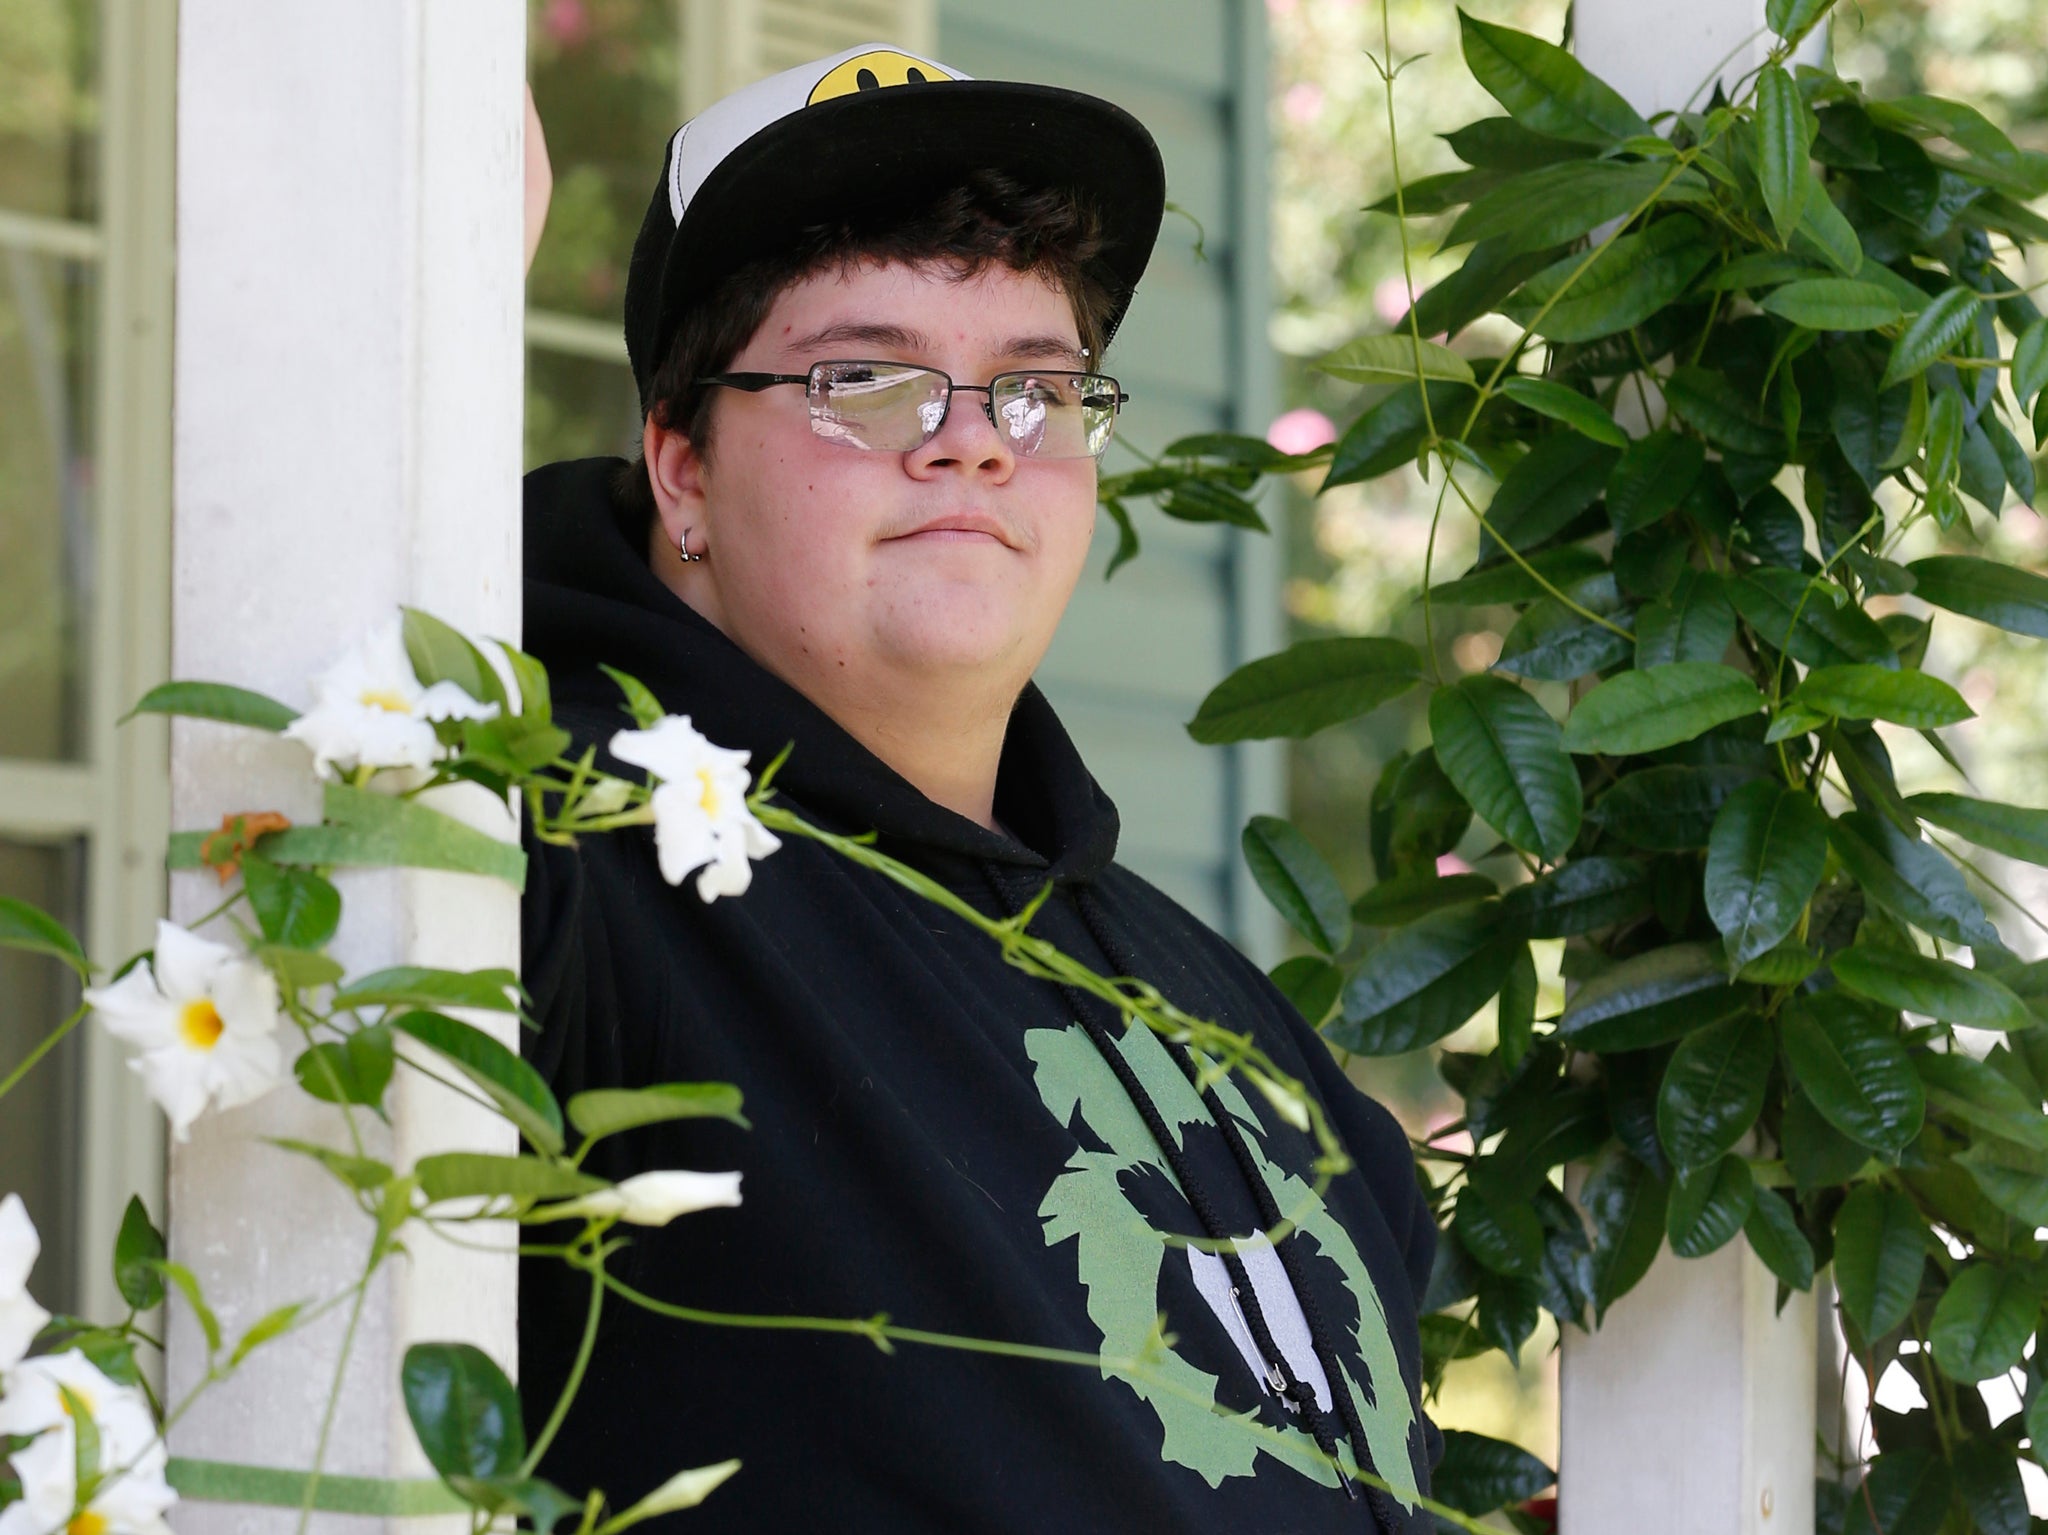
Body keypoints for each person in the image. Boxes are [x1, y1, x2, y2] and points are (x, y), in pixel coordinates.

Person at [517, 43, 1441, 1533]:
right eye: (865, 379)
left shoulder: (1231, 1017)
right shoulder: (572, 855)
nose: (969, 443)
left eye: (1035, 389)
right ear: (681, 470)